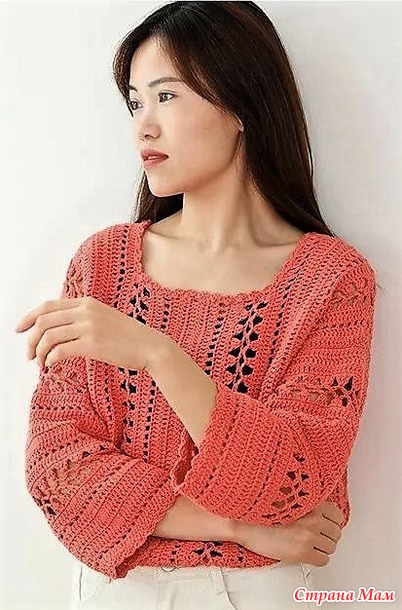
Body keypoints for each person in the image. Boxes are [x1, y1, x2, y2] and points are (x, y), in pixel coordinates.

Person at [18, 2, 378, 609]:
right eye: (135, 102)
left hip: (255, 594)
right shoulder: (103, 264)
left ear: (239, 104)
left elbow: (296, 480)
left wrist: (159, 355)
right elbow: (58, 471)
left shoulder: (330, 281)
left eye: (166, 96)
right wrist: (234, 525)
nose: (143, 127)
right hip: (115, 591)